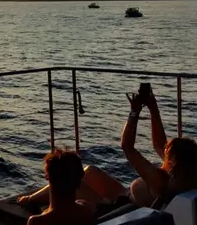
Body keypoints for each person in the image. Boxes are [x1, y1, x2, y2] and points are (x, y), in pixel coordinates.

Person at [18, 83, 197, 211]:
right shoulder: (185, 177)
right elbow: (159, 143)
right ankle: (34, 198)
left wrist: (134, 111)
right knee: (90, 171)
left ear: (172, 162)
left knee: (76, 182)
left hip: (117, 210)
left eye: (167, 152)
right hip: (125, 197)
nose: (164, 150)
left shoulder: (160, 181)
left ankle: (30, 200)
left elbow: (127, 147)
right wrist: (152, 106)